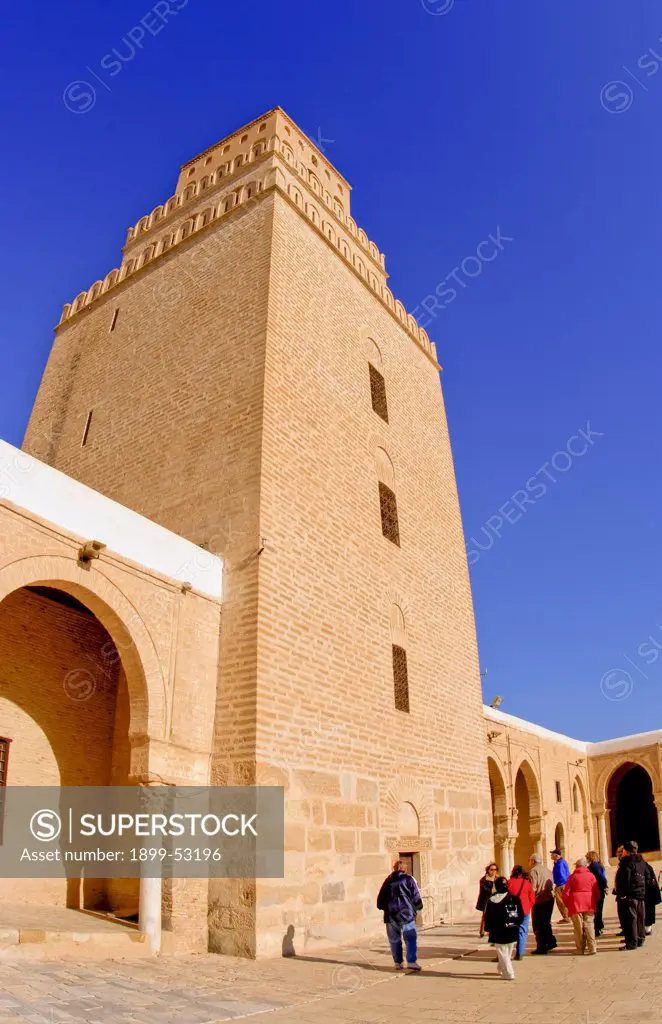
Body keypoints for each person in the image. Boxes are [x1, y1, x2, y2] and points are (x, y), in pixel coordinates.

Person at [376, 859, 423, 972]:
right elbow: (415, 896)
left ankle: (398, 963)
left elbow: (380, 900)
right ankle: (411, 962)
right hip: (406, 914)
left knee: (394, 940)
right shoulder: (409, 879)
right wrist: (418, 907)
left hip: (391, 915)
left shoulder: (387, 881)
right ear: (404, 869)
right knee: (410, 938)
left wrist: (386, 908)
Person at [484, 876, 522, 980]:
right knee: (507, 951)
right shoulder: (514, 898)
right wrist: (518, 924)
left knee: (502, 952)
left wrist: (487, 929)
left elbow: (488, 917)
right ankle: (501, 969)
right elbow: (520, 913)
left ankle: (509, 973)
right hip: (511, 929)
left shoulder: (492, 900)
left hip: (498, 931)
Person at [614, 840, 647, 950]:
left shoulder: (626, 864)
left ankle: (632, 942)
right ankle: (640, 938)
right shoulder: (641, 862)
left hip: (629, 896)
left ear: (627, 852)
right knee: (640, 918)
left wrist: (622, 895)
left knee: (631, 919)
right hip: (640, 895)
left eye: (623, 850)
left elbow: (624, 881)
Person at [563, 857, 599, 955]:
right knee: (589, 925)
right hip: (589, 903)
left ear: (577, 866)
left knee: (578, 927)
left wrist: (567, 904)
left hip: (575, 903)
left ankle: (580, 949)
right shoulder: (591, 876)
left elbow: (566, 893)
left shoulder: (572, 877)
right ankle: (592, 948)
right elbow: (596, 891)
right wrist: (595, 901)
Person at [528, 853, 556, 954]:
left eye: (529, 860)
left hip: (540, 900)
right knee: (546, 922)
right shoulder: (547, 870)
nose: (529, 862)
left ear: (533, 861)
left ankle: (542, 946)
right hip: (550, 898)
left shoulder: (533, 871)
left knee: (538, 924)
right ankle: (550, 942)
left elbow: (533, 888)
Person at [508, 865, 534, 960]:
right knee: (522, 931)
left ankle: (508, 953)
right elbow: (532, 898)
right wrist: (528, 906)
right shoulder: (526, 883)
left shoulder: (509, 882)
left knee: (511, 930)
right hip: (524, 910)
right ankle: (520, 952)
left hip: (512, 909)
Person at [586, 850, 608, 936]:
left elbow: (601, 878)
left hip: (597, 890)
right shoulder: (598, 865)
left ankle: (598, 928)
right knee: (598, 910)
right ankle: (599, 926)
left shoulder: (595, 867)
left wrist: (605, 886)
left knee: (597, 910)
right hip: (598, 890)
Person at [475, 862, 499, 937]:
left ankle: (492, 932)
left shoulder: (498, 878)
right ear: (488, 870)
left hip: (497, 899)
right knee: (486, 916)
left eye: (495, 869)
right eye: (491, 869)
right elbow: (485, 889)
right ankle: (482, 931)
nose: (493, 871)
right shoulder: (483, 879)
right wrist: (493, 890)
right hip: (487, 900)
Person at [643, 857, 661, 936]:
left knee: (648, 911)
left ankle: (647, 929)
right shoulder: (647, 866)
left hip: (648, 893)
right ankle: (647, 928)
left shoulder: (645, 867)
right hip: (648, 892)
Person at [551, 848, 570, 923]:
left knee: (560, 902)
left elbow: (561, 874)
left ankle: (566, 917)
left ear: (556, 855)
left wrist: (559, 884)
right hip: (564, 883)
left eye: (552, 854)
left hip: (561, 884)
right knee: (564, 901)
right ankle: (567, 916)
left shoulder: (559, 864)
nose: (551, 856)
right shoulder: (560, 862)